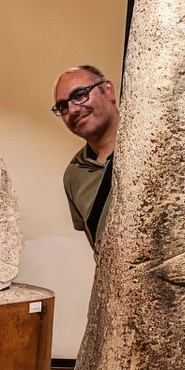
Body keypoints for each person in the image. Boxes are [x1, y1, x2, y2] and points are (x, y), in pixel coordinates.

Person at [52, 65, 120, 252]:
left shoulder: (152, 142)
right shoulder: (74, 174)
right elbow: (98, 246)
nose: (72, 109)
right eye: (62, 107)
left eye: (80, 95)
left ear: (108, 91)